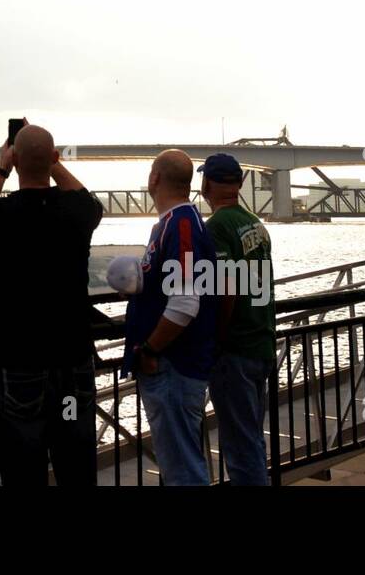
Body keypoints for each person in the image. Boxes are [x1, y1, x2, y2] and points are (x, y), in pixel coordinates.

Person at [0, 121, 103, 486]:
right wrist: (51, 162)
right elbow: (90, 201)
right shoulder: (77, 213)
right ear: (54, 158)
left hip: (21, 367)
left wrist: (1, 169)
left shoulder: (1, 214)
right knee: (74, 452)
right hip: (71, 367)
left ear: (15, 161)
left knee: (24, 461)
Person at [115, 149, 217, 485]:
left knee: (182, 470)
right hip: (171, 367)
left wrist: (149, 350)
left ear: (154, 178)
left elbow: (186, 302)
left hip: (172, 367)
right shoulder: (171, 224)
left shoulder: (181, 225)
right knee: (179, 464)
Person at [200, 153, 276, 486]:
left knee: (240, 446)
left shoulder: (216, 227)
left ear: (206, 185)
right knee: (252, 439)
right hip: (262, 342)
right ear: (240, 184)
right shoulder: (256, 223)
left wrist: (215, 339)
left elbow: (225, 288)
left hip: (236, 350)